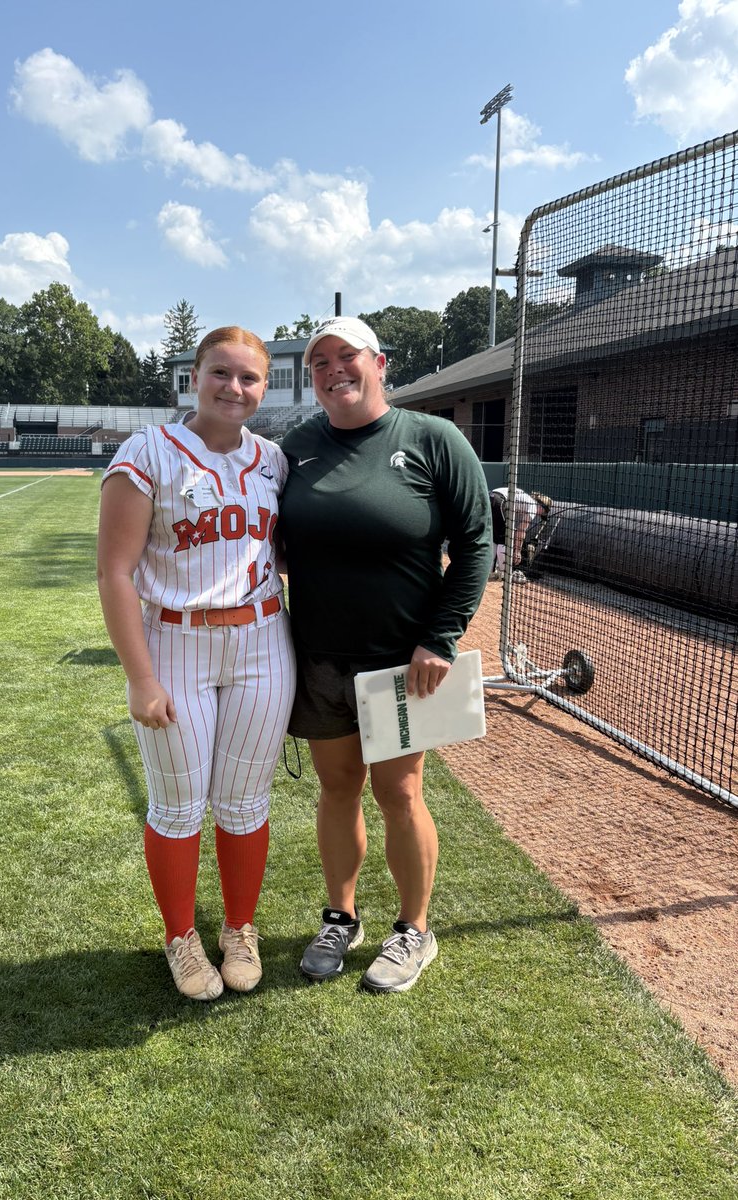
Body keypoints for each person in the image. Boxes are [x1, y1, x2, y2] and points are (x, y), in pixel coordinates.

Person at [278, 316, 492, 993]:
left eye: (348, 357)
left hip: (402, 664)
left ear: (380, 363)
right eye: (319, 364)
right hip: (318, 658)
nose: (334, 371)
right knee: (337, 788)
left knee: (400, 792)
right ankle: (341, 916)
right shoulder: (298, 446)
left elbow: (476, 544)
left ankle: (414, 930)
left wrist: (441, 637)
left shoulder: (433, 439)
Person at [97, 327, 296, 1002]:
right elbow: (115, 572)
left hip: (263, 641)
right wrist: (140, 675)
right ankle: (181, 938)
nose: (234, 388)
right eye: (221, 373)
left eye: (249, 378)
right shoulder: (148, 451)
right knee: (179, 805)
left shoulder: (273, 459)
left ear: (265, 387)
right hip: (176, 640)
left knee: (244, 802)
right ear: (194, 377)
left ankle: (239, 928)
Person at [489, 485, 539, 581]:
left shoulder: (524, 499)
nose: (538, 515)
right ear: (542, 506)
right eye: (543, 513)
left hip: (490, 497)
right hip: (500, 500)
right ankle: (504, 574)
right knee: (504, 538)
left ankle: (490, 571)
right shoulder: (533, 506)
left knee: (495, 537)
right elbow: (521, 530)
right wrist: (517, 551)